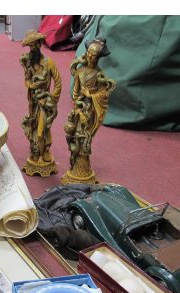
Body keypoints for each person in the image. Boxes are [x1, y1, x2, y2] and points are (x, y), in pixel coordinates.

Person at [62, 37, 116, 184]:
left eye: (94, 55)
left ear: (99, 57)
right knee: (75, 136)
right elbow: (75, 93)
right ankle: (76, 167)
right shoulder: (80, 72)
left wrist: (90, 96)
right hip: (80, 111)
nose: (91, 57)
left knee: (85, 138)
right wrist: (79, 103)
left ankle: (83, 169)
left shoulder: (98, 75)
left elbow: (106, 91)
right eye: (89, 53)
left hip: (91, 111)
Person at [20, 30, 62, 176]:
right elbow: (27, 80)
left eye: (34, 46)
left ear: (39, 44)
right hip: (33, 102)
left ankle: (43, 152)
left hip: (45, 102)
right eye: (30, 47)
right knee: (33, 127)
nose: (32, 49)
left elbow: (58, 83)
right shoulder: (29, 62)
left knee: (40, 132)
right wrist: (30, 85)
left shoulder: (48, 62)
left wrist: (52, 100)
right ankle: (38, 154)